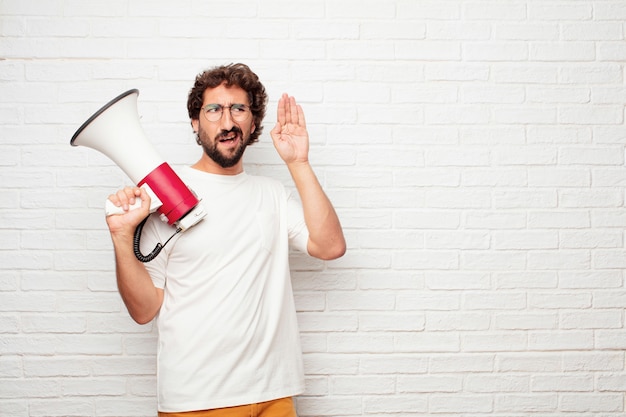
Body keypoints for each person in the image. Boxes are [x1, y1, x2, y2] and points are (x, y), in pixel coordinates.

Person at [104, 63, 346, 417]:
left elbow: (330, 246)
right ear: (195, 122)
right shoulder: (166, 196)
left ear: (253, 123)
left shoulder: (272, 194)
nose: (228, 121)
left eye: (239, 109)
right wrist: (122, 236)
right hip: (198, 399)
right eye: (214, 109)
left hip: (274, 393)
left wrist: (299, 162)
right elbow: (144, 311)